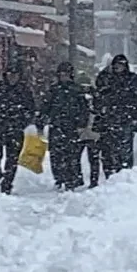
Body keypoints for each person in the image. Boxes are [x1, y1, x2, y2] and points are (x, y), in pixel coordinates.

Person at [0, 64, 35, 195]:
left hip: (15, 129)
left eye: (15, 75)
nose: (12, 77)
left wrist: (22, 121)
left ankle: (7, 182)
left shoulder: (24, 91)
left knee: (12, 158)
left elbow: (30, 109)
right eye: (10, 74)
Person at [42, 62, 91, 190]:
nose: (64, 77)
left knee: (72, 155)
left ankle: (72, 179)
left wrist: (81, 124)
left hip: (72, 126)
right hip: (56, 126)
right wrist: (43, 119)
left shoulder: (77, 90)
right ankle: (59, 178)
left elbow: (84, 109)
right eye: (61, 75)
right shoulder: (54, 90)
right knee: (56, 155)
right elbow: (45, 106)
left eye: (66, 75)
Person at [95, 54, 137, 176]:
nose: (118, 67)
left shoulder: (133, 79)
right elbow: (98, 94)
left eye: (121, 65)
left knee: (125, 149)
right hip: (108, 120)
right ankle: (110, 173)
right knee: (107, 149)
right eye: (116, 65)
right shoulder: (107, 79)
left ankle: (125, 173)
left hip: (126, 119)